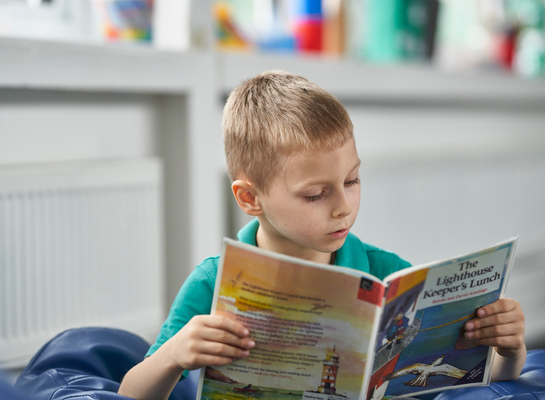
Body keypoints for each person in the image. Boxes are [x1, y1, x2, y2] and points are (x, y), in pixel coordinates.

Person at [117, 71, 526, 400]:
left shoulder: (388, 275)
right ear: (250, 199)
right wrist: (173, 356)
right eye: (316, 194)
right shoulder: (213, 282)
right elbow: (130, 393)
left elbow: (484, 383)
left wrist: (508, 351)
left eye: (352, 180)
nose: (343, 206)